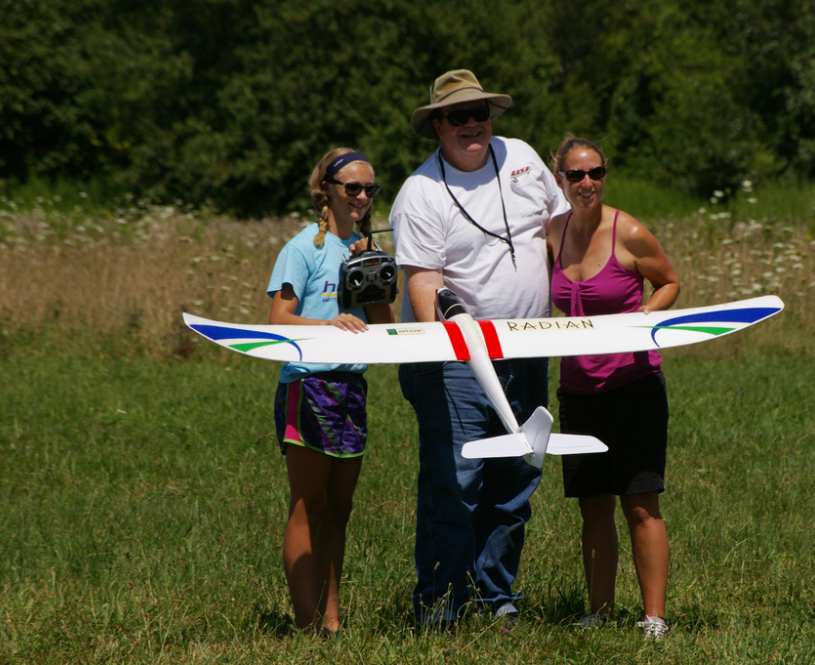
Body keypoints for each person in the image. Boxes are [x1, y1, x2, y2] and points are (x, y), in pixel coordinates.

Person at [389, 70, 569, 626]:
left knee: (517, 476)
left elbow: (560, 233)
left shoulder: (521, 156)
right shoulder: (420, 192)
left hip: (530, 344)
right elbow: (423, 282)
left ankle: (498, 598)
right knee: (456, 481)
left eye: (480, 114)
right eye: (458, 117)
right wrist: (441, 357)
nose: (473, 125)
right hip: (458, 360)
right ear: (438, 126)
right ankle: (440, 605)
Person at [546, 137, 680, 640]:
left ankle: (654, 617)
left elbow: (668, 281)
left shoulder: (630, 232)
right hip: (577, 388)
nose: (587, 184)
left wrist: (649, 313)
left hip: (633, 383)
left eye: (596, 174)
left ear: (605, 176)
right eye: (577, 175)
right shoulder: (552, 233)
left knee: (640, 501)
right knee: (593, 503)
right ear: (560, 179)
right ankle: (598, 609)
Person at [267, 148, 393, 635]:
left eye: (370, 190)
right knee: (308, 505)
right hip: (309, 384)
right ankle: (305, 624)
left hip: (352, 386)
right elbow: (278, 320)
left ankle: (331, 622)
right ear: (327, 191)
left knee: (340, 509)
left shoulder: (363, 250)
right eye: (352, 189)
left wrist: (376, 270)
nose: (362, 198)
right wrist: (328, 322)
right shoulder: (302, 248)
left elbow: (382, 325)